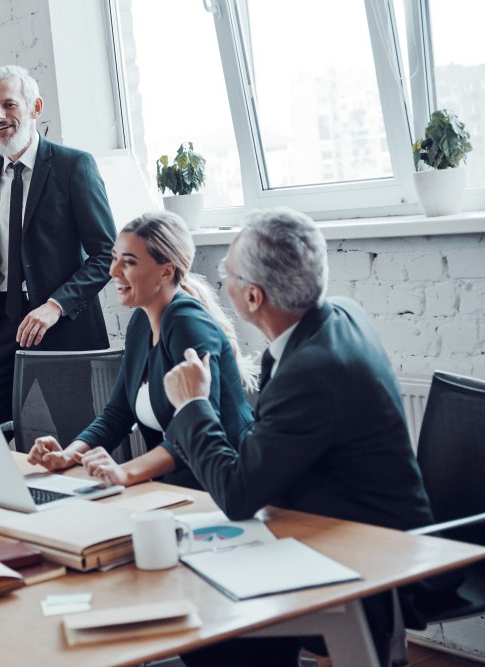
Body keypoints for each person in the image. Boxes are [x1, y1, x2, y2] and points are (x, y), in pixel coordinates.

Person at [163, 207, 434, 666]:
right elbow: (264, 449)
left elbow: (237, 493)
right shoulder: (339, 315)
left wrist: (193, 404)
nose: (220, 278)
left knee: (208, 624)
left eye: (226, 271)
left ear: (252, 297)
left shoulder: (311, 373)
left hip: (367, 551)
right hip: (336, 523)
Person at [27, 211, 255, 489]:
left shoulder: (187, 323)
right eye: (114, 258)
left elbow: (201, 428)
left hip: (225, 486)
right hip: (174, 486)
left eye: (129, 262)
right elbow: (117, 413)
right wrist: (68, 455)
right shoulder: (142, 320)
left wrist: (126, 472)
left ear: (166, 271)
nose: (113, 272)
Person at [0, 65, 116, 429]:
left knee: (73, 437)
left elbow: (106, 254)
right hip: (1, 321)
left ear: (35, 108)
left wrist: (54, 306)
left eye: (9, 105)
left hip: (60, 325)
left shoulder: (74, 166)